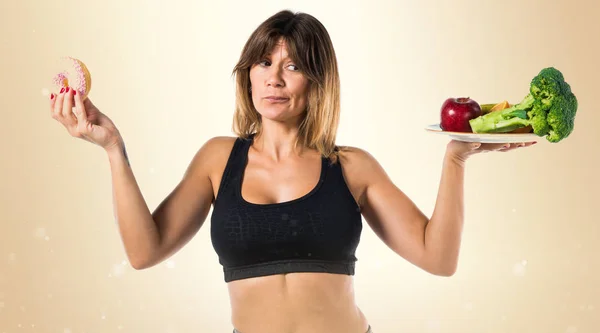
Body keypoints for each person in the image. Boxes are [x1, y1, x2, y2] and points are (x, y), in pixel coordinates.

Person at [48, 9, 535, 333]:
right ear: (248, 73)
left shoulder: (351, 167)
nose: (274, 78)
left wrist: (455, 159)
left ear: (318, 80)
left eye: (294, 65)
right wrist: (113, 148)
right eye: (263, 62)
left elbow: (438, 258)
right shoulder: (219, 160)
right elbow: (144, 251)